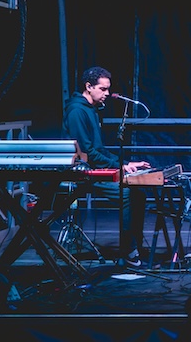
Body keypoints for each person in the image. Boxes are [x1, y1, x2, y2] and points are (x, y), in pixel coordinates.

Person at [63, 66, 151, 267]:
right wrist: (118, 167)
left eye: (108, 89)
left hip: (93, 168)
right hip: (82, 172)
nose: (107, 94)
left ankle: (135, 246)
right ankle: (128, 251)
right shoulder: (77, 111)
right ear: (89, 87)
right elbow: (87, 152)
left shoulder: (92, 110)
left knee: (138, 193)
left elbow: (99, 149)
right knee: (126, 194)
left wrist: (125, 164)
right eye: (103, 89)